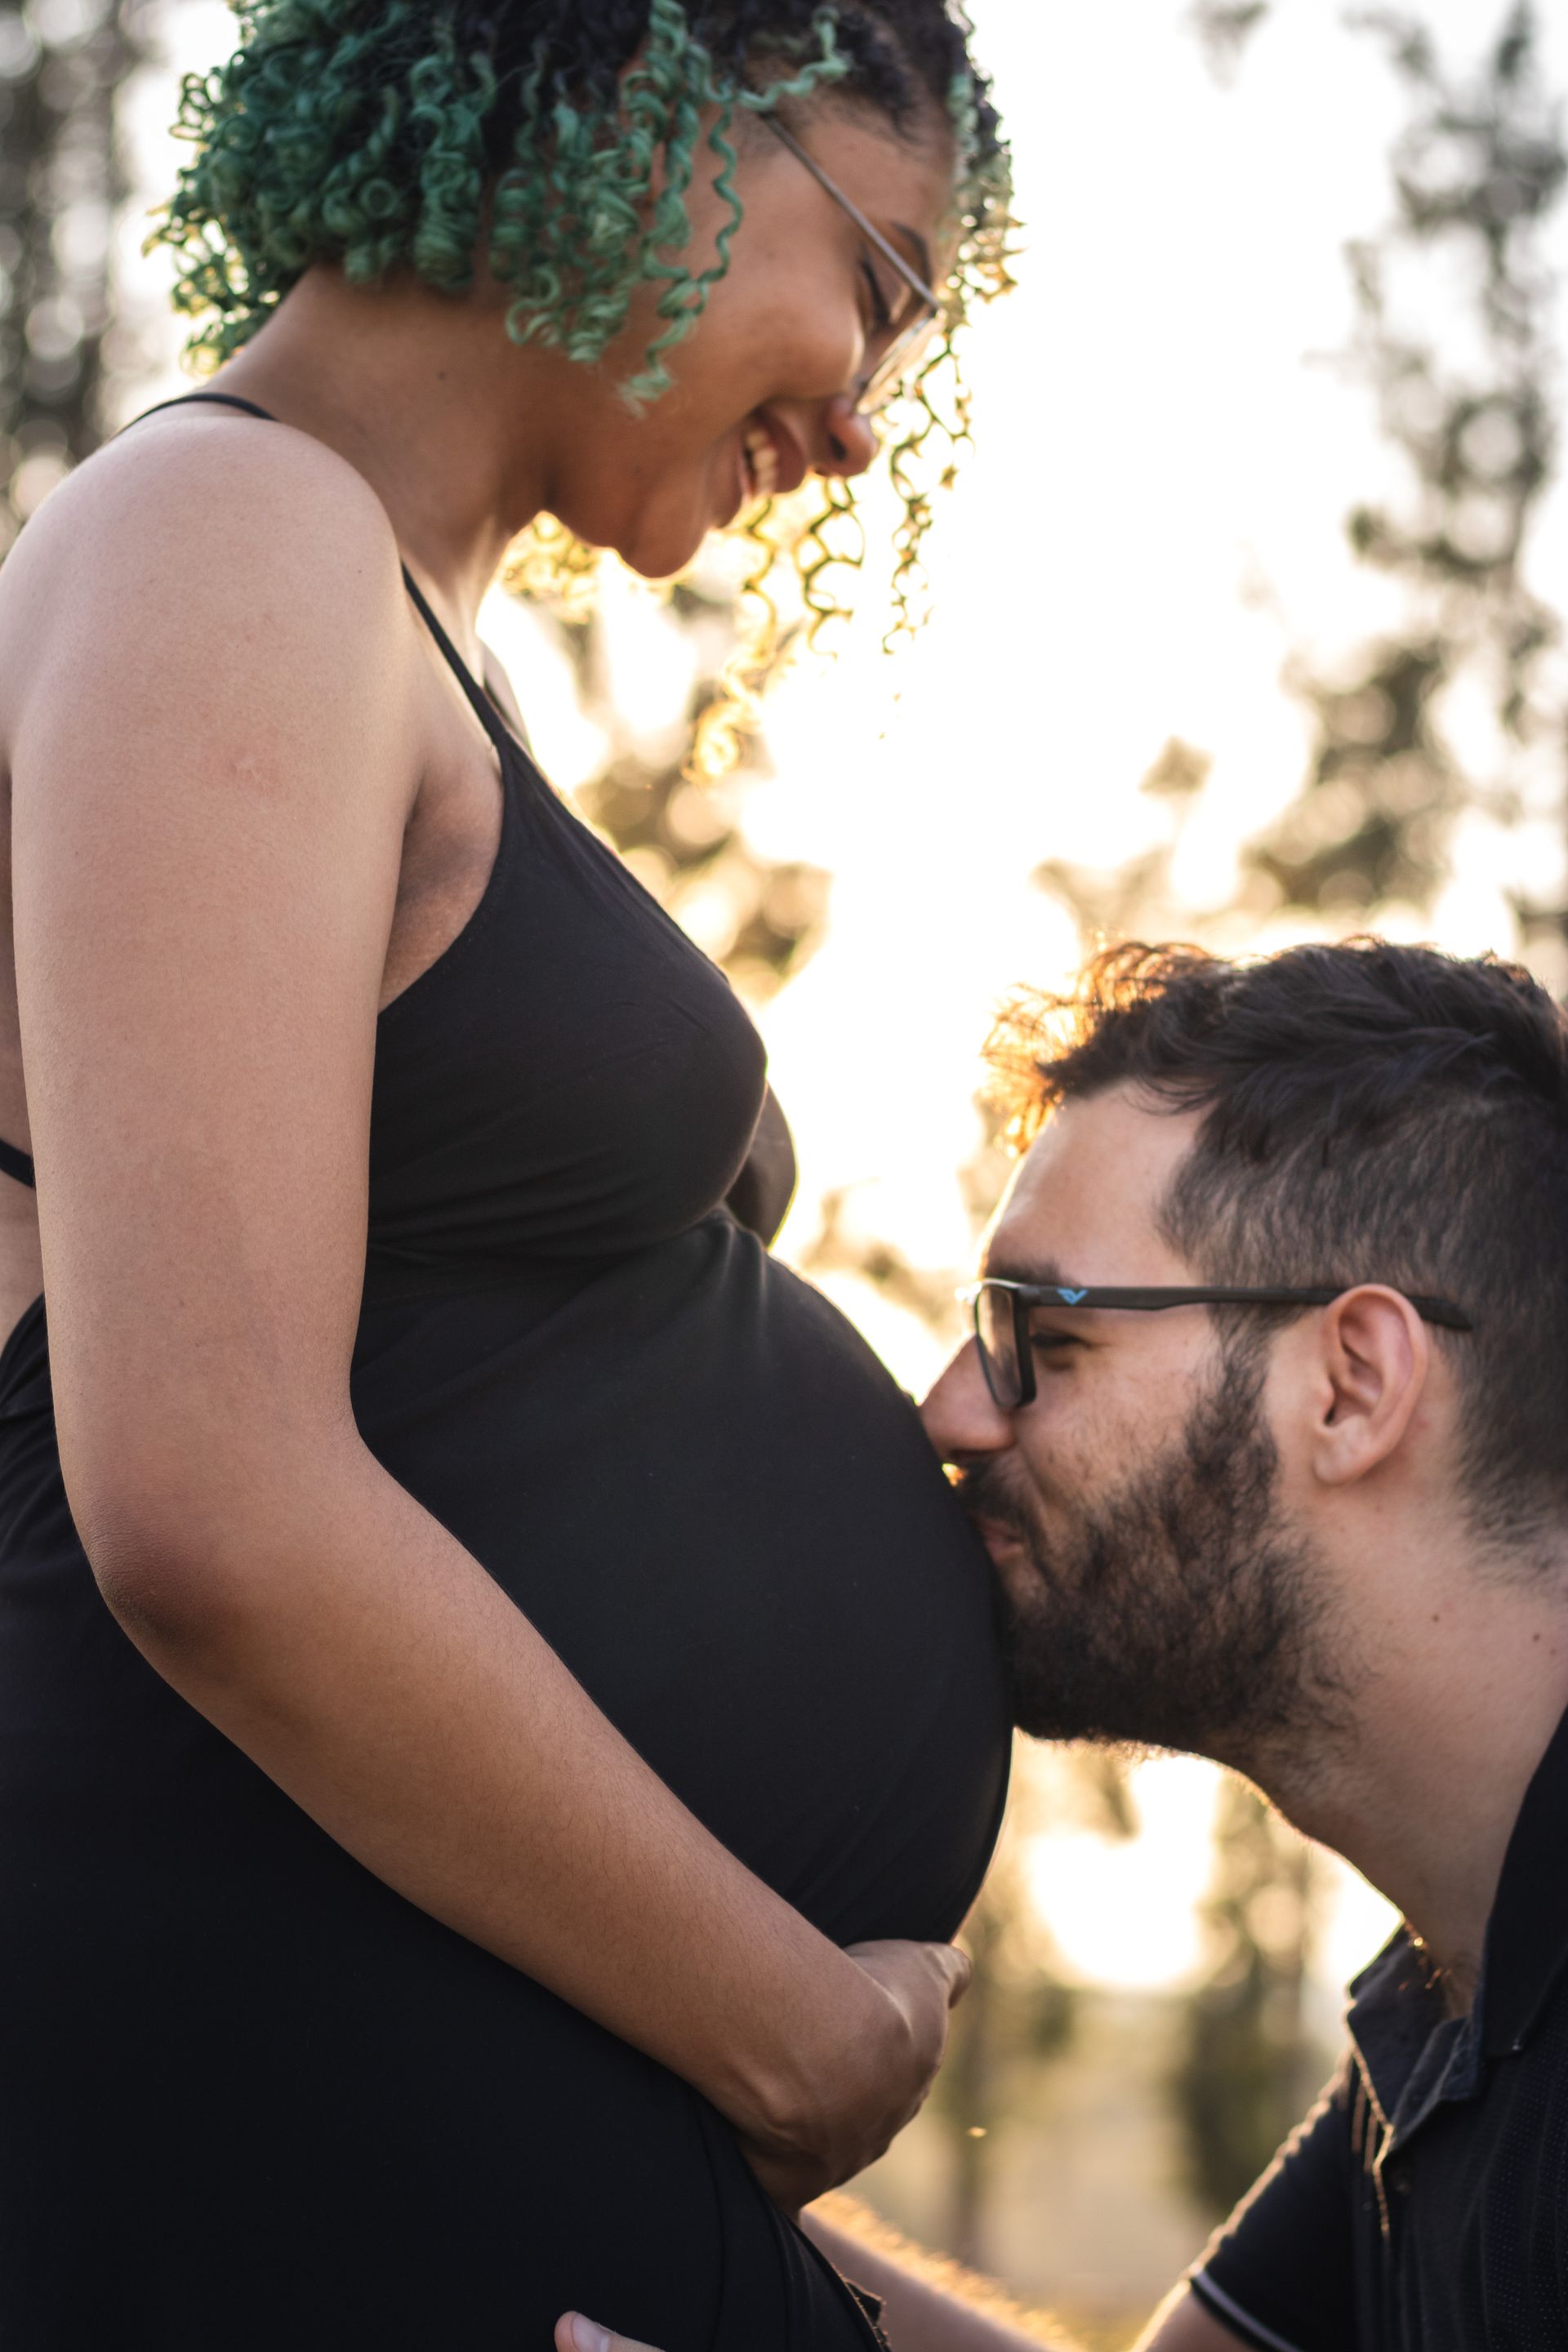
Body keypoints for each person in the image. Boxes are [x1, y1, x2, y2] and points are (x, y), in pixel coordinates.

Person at [0, 5, 1020, 2344]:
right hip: (277, 2061)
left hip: (413, 2032)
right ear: (653, 98)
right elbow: (209, 1498)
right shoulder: (230, 534)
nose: (866, 422)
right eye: (875, 280)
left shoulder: (371, 615)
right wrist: (790, 2016)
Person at [564, 937, 1568, 2350]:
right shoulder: (1443, 1999)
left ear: (1351, 1386)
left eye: (1043, 1333)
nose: (954, 1415)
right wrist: (619, 2170)